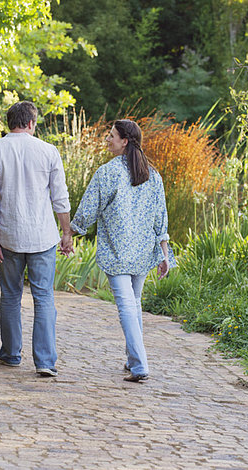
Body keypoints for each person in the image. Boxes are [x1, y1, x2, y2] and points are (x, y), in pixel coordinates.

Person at [70, 118, 176, 383]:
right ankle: (132, 360)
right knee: (135, 304)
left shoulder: (107, 173)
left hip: (118, 253)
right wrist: (164, 253)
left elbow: (87, 212)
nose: (107, 140)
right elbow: (160, 219)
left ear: (124, 141)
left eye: (111, 136)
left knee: (127, 307)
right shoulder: (153, 174)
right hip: (142, 252)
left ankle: (140, 366)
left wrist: (67, 233)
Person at [0, 101, 73, 377]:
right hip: (42, 236)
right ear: (32, 123)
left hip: (9, 235)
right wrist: (66, 233)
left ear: (9, 123)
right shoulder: (48, 151)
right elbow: (60, 198)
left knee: (10, 296)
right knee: (44, 297)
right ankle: (45, 362)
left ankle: (10, 354)